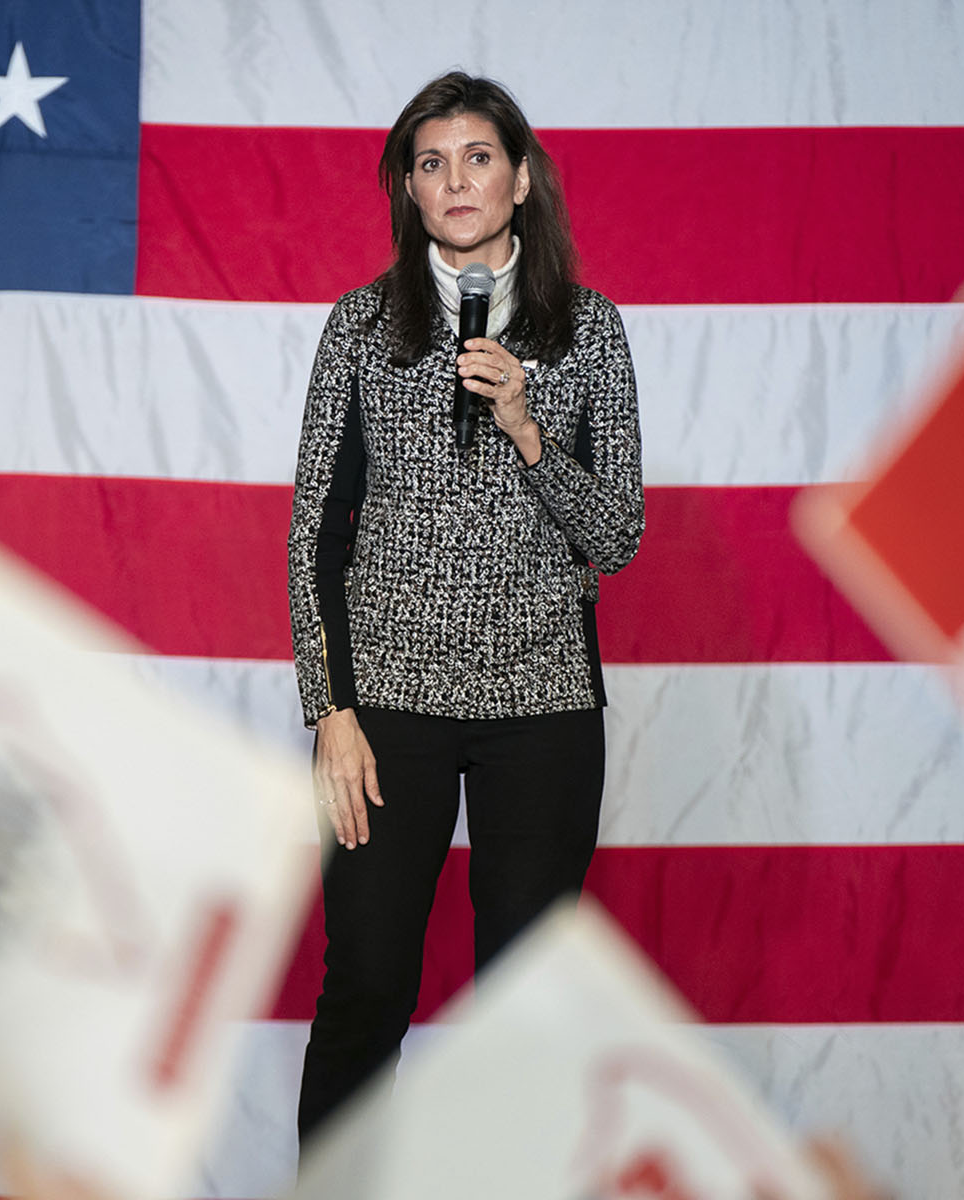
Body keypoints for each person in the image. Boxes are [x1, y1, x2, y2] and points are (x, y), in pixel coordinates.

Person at [286, 70, 645, 1146]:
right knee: (368, 984)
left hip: (541, 707)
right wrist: (331, 712)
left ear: (521, 178)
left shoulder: (591, 331)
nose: (456, 180)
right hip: (387, 709)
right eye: (431, 162)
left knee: (526, 1008)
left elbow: (617, 537)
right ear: (408, 187)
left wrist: (532, 431)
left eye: (478, 157)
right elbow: (314, 529)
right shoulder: (360, 327)